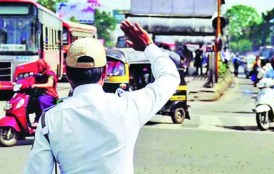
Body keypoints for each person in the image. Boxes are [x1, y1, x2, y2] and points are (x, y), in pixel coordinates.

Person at [24, 20, 180, 174]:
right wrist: (149, 47)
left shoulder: (49, 119)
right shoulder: (129, 106)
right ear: (105, 73)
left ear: (68, 74)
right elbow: (170, 77)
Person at [31, 59, 58, 126]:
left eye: (40, 66)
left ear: (44, 65)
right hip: (42, 93)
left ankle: (40, 120)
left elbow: (49, 84)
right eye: (38, 66)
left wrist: (36, 85)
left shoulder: (50, 74)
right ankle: (37, 118)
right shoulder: (41, 74)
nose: (39, 67)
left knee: (41, 100)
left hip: (50, 95)